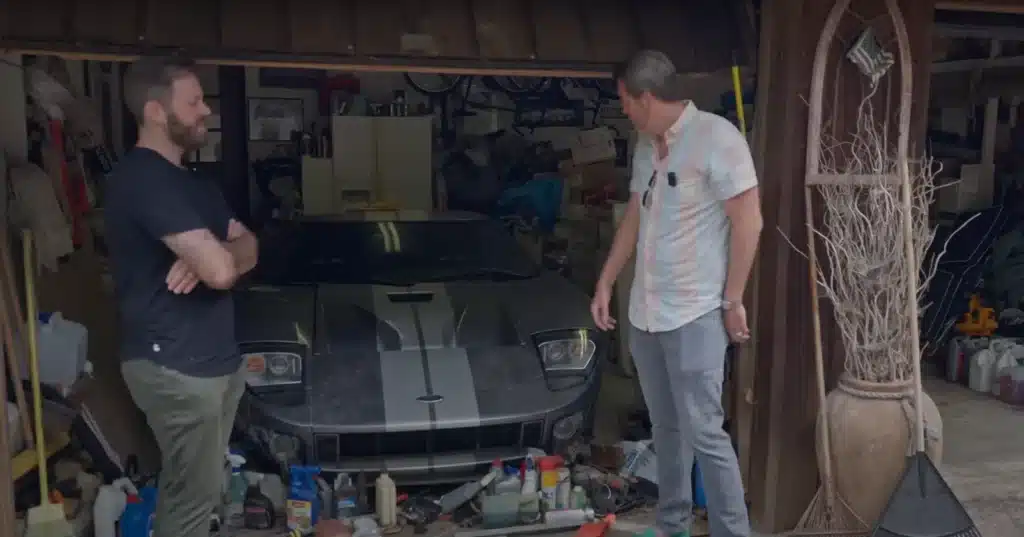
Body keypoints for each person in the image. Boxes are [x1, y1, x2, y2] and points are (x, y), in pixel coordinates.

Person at [591, 50, 762, 537]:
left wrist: (733, 300)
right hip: (646, 315)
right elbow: (635, 216)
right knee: (665, 429)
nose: (622, 109)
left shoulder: (717, 139)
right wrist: (606, 279)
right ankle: (673, 525)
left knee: (705, 432)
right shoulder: (647, 146)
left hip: (696, 314)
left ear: (646, 98)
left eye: (625, 100)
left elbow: (749, 222)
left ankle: (733, 532)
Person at [103, 56, 259, 537]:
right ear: (154, 111)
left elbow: (250, 246)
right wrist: (215, 259)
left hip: (215, 363)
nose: (206, 111)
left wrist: (220, 256)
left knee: (202, 488)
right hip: (174, 365)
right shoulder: (142, 178)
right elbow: (220, 270)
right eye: (193, 102)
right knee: (193, 495)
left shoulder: (196, 186)